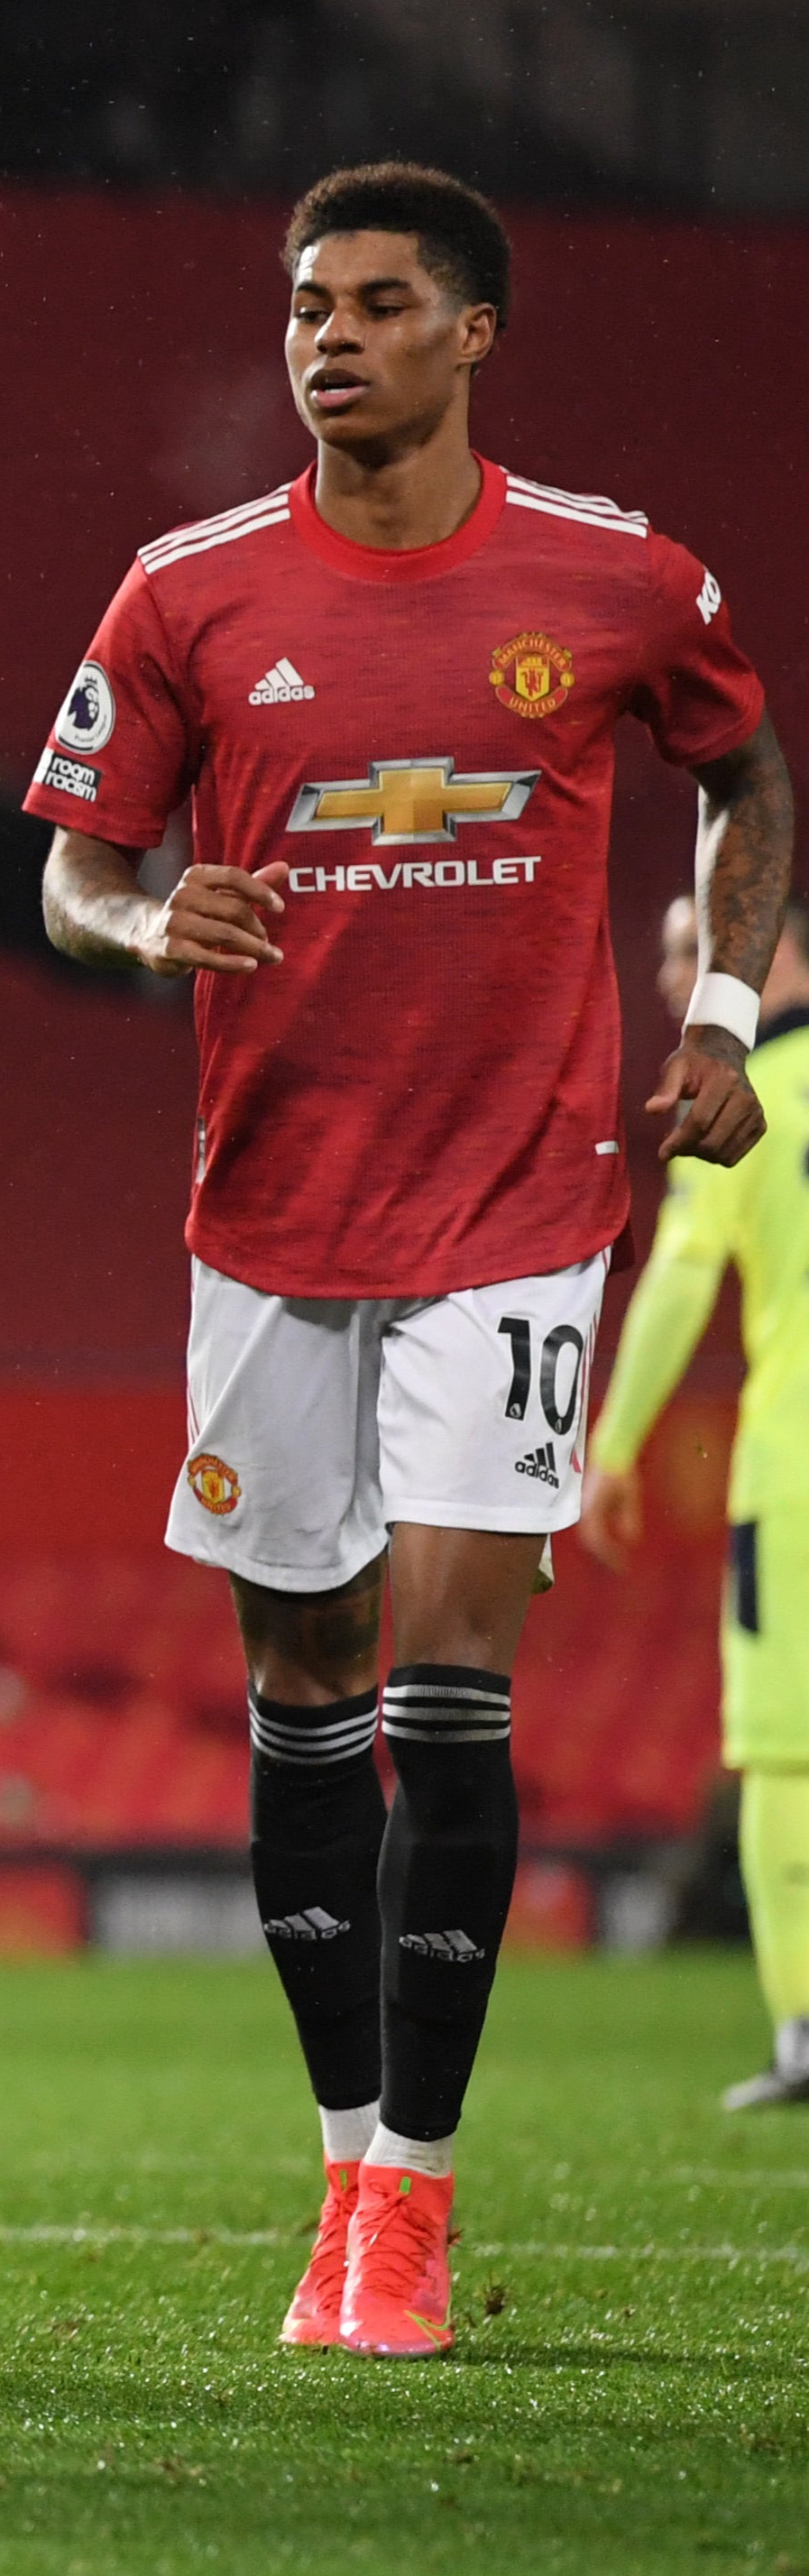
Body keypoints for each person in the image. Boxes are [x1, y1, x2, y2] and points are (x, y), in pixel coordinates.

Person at [27, 163, 785, 2359]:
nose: (325, 337)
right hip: (266, 1217)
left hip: (512, 1207)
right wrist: (144, 912)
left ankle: (415, 2209)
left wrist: (721, 1013)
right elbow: (76, 869)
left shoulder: (612, 576)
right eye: (300, 305)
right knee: (298, 1680)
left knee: (453, 1661)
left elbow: (750, 785)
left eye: (374, 304)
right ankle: (342, 2142)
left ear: (471, 335)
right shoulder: (183, 595)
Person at [583, 892, 809, 2111]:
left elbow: (676, 1282)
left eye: (691, 951)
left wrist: (611, 1449)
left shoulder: (736, 1099)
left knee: (784, 1755)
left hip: (797, 1469)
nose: (672, 980)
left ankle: (804, 2035)